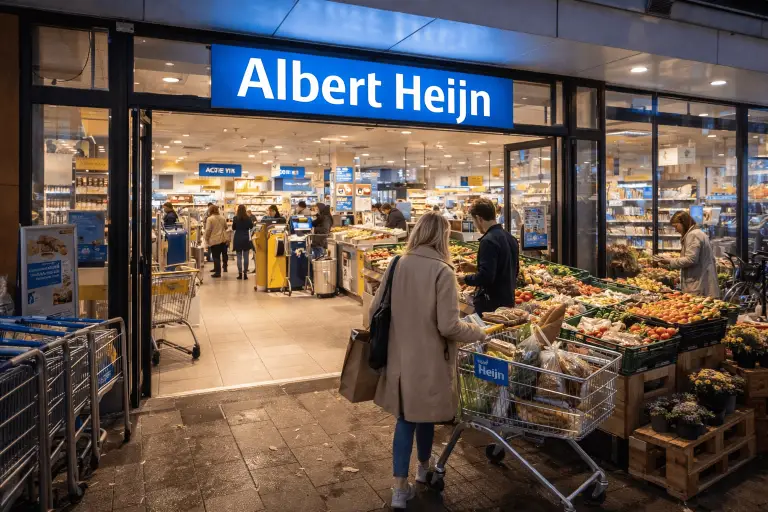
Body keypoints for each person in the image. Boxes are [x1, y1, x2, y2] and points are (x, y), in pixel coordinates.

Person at [369, 212, 486, 509]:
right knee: (421, 415)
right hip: (430, 358)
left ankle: (409, 480)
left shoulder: (397, 263)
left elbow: (374, 310)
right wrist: (479, 331)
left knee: (409, 415)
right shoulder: (442, 271)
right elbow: (449, 326)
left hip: (399, 356)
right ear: (442, 236)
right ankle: (413, 477)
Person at [457, 198, 520, 315]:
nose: (475, 225)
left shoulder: (488, 241)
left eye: (474, 221)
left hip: (490, 305)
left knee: (487, 333)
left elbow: (486, 277)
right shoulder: (511, 238)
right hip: (507, 301)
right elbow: (512, 270)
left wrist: (464, 279)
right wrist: (476, 267)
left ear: (479, 219)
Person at [654, 210, 720, 297]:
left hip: (699, 284)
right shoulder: (697, 233)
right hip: (701, 280)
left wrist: (669, 261)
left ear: (683, 223)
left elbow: (691, 259)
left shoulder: (693, 235)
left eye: (676, 226)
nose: (676, 230)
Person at [204, 205, 228, 278]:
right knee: (222, 254)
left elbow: (208, 230)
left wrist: (206, 238)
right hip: (223, 239)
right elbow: (226, 227)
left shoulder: (210, 219)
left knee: (216, 256)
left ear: (210, 211)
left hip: (214, 239)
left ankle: (218, 272)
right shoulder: (222, 218)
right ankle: (217, 268)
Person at [232, 205, 253, 280]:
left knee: (239, 257)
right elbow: (251, 227)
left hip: (237, 237)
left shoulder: (235, 218)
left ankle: (240, 274)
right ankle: (245, 274)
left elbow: (233, 228)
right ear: (245, 210)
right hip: (245, 238)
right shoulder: (248, 218)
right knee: (246, 256)